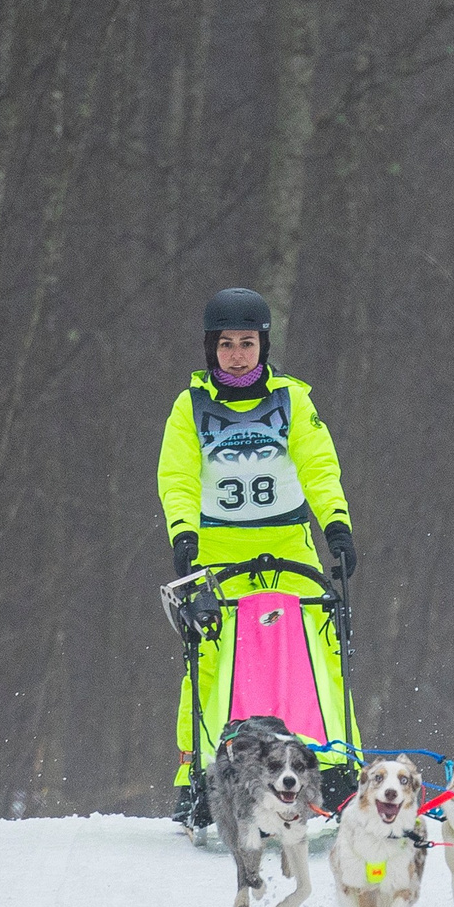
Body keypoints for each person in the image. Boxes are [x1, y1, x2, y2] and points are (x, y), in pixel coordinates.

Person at [157, 288, 358, 827]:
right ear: (211, 349)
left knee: (320, 651)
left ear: (263, 345)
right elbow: (177, 477)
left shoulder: (293, 399)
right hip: (219, 553)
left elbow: (319, 466)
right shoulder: (189, 406)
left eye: (248, 343)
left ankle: (336, 766)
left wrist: (336, 525)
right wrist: (183, 535)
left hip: (289, 545)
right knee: (206, 663)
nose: (238, 354)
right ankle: (195, 779)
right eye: (227, 344)